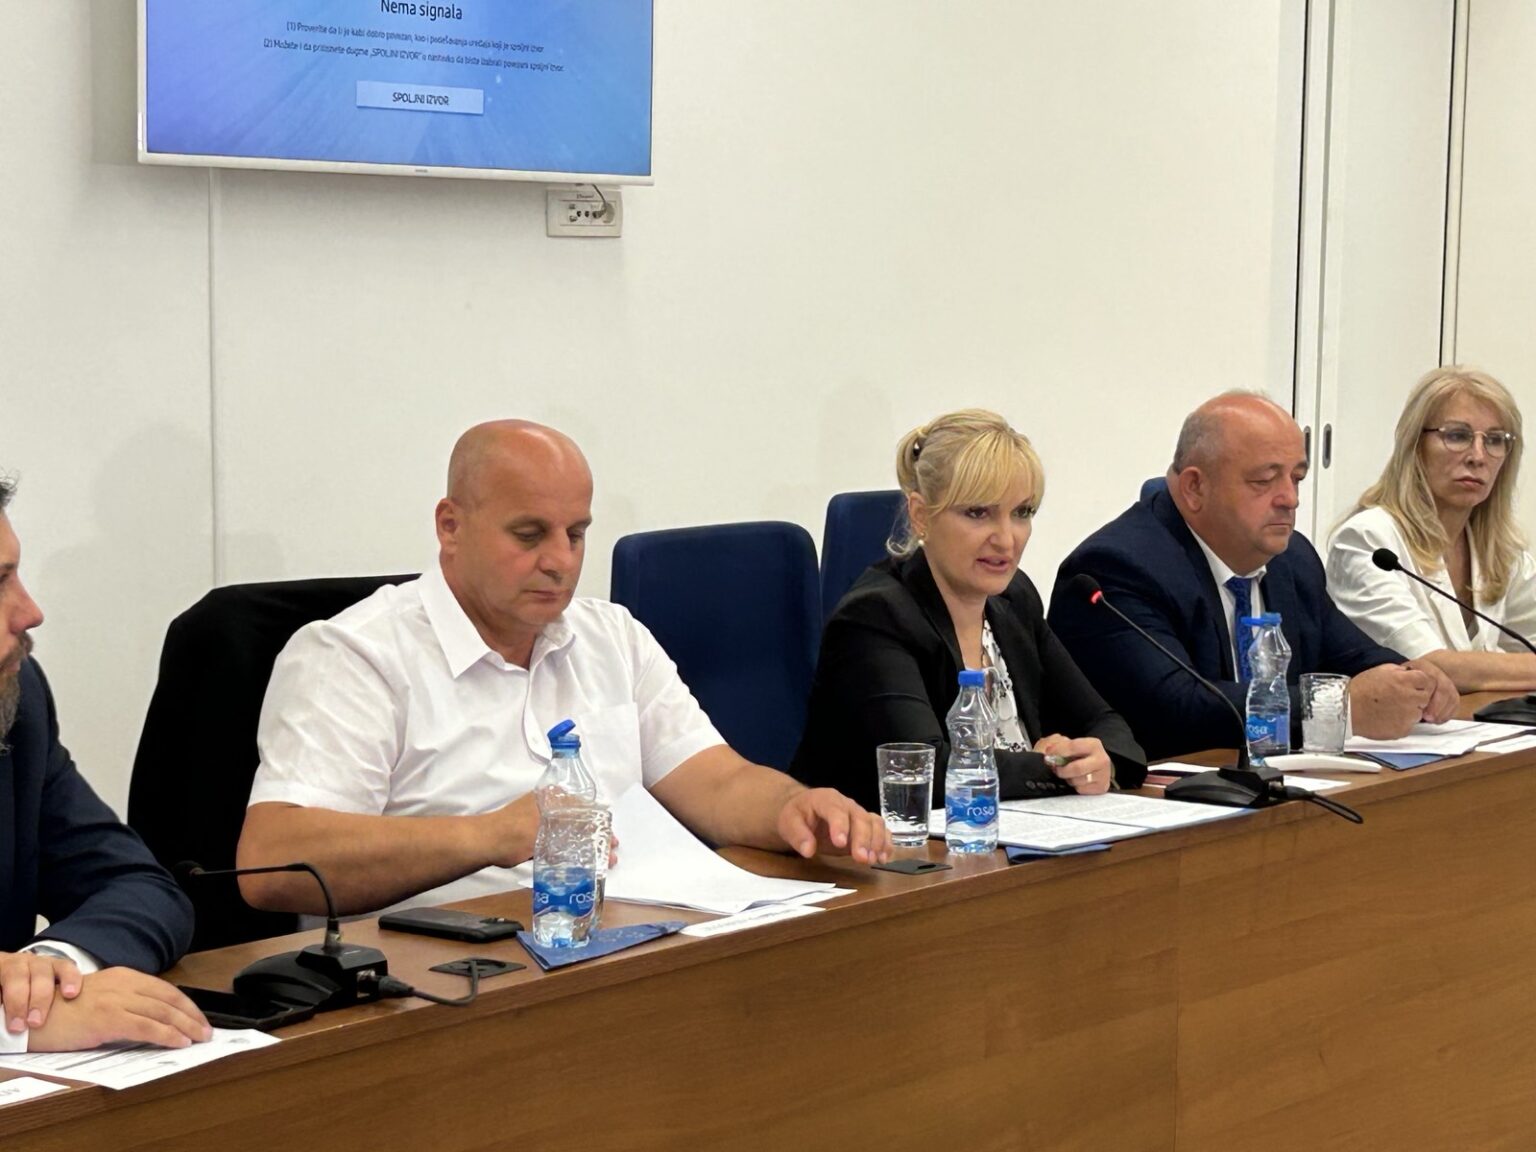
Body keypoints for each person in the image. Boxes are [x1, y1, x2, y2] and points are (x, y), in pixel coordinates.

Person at [237, 421, 892, 917]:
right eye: (529, 535)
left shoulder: (611, 636)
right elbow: (272, 862)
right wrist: (489, 836)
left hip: (617, 947)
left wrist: (792, 807)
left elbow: (717, 783)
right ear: (450, 526)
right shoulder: (355, 656)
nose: (560, 561)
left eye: (576, 534)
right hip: (434, 986)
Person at [1048, 392, 1458, 761]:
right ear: (1194, 487)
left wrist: (1414, 679)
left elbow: (1350, 656)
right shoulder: (1116, 569)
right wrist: (1336, 709)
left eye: (1297, 478)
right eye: (1264, 480)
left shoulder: (1291, 558)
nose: (1290, 499)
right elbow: (1178, 709)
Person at [791, 409, 1146, 811]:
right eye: (978, 513)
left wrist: (1100, 759)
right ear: (921, 515)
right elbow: (930, 770)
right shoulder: (875, 617)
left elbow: (1107, 725)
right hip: (885, 844)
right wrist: (1058, 767)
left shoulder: (1013, 600)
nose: (1006, 539)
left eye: (1022, 513)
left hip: (1012, 834)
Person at [0, 477, 209, 1053]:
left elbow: (140, 889)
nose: (30, 612)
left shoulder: (17, 701)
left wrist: (50, 972)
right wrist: (13, 1024)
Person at [1328, 367, 1536, 692]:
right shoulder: (1368, 541)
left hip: (1472, 722)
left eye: (1495, 440)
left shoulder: (1501, 550)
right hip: (1394, 724)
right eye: (1457, 436)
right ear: (1415, 445)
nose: (1478, 456)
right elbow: (1428, 667)